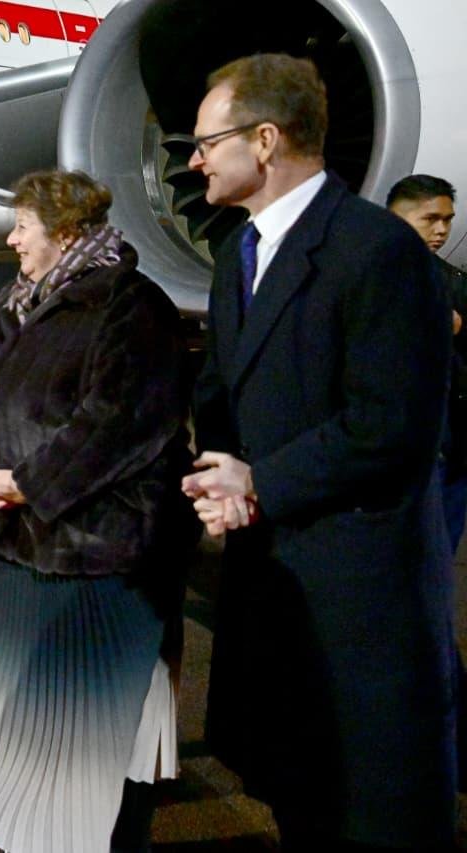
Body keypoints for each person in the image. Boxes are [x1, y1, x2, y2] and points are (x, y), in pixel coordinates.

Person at [182, 54, 456, 848]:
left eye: (208, 142)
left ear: (265, 140)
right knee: (298, 802)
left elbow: (392, 425)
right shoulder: (238, 256)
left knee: (375, 817)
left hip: (359, 601)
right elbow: (221, 396)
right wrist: (217, 477)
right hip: (275, 593)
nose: (194, 161)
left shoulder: (377, 249)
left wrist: (259, 482)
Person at [0, 169, 193, 852]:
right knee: (14, 758)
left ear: (67, 230)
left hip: (99, 565)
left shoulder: (130, 305)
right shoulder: (10, 307)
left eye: (22, 225)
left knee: (93, 764)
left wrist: (30, 482)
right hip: (17, 560)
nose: (11, 238)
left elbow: (121, 421)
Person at [387, 175, 467, 551]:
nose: (441, 231)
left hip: (449, 439)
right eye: (430, 219)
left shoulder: (453, 282)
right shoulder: (362, 277)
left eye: (447, 220)